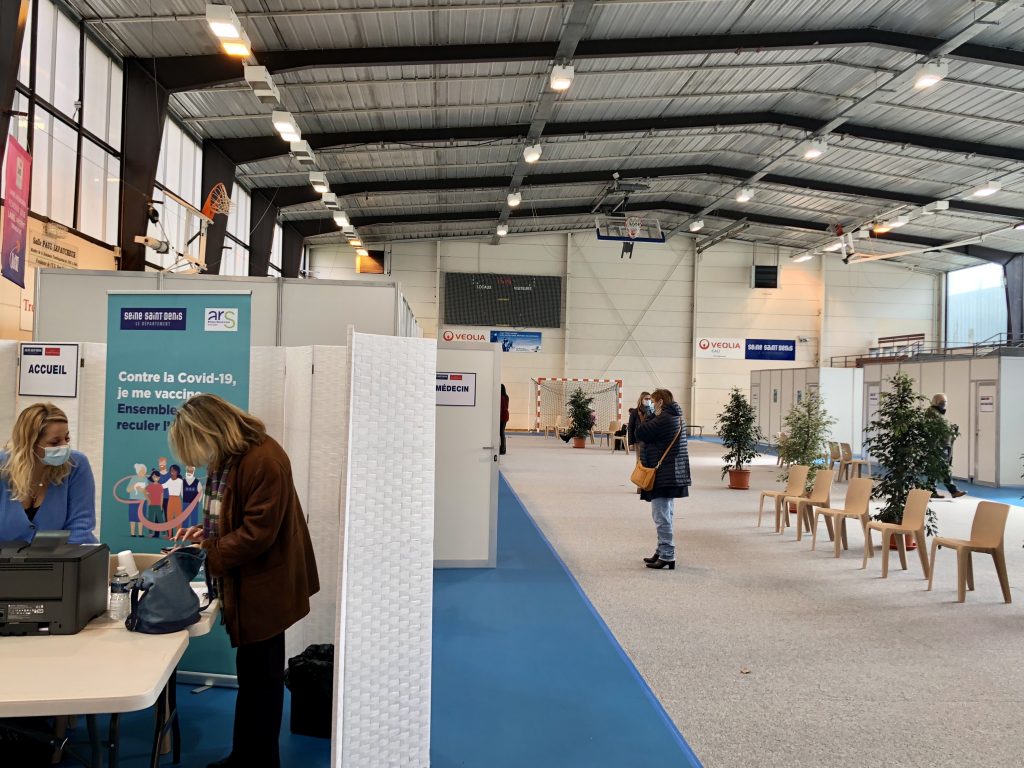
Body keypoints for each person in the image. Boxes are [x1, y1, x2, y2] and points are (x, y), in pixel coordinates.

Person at [170, 394, 319, 768]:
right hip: (253, 582)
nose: (198, 457)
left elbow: (257, 533)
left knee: (261, 683)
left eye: (197, 446)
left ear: (210, 431)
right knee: (253, 679)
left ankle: (258, 760)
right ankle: (246, 756)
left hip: (266, 585)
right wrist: (204, 533)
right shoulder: (233, 457)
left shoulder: (262, 460)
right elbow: (233, 515)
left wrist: (207, 549)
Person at [0, 403, 97, 545]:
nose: (64, 446)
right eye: (55, 442)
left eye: (67, 439)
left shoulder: (76, 464)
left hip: (63, 556)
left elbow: (80, 527)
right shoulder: (2, 468)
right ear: (30, 443)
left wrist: (58, 558)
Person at [634, 389, 691, 570]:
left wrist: (650, 414)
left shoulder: (664, 418)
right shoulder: (676, 416)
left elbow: (640, 432)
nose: (650, 404)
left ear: (659, 402)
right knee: (666, 514)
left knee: (661, 516)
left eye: (653, 401)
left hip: (664, 475)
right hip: (671, 473)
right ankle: (661, 550)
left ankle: (667, 554)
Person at [926, 393, 966, 499]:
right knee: (944, 468)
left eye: (945, 402)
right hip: (938, 446)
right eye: (942, 402)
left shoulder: (938, 413)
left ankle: (931, 490)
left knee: (935, 469)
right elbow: (936, 428)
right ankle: (954, 491)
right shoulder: (932, 412)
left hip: (943, 444)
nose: (944, 404)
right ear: (936, 402)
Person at [500, 384, 510, 455]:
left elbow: (501, 408)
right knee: (502, 432)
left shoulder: (501, 397)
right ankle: (503, 448)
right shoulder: (506, 396)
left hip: (502, 416)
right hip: (505, 415)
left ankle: (503, 449)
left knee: (501, 432)